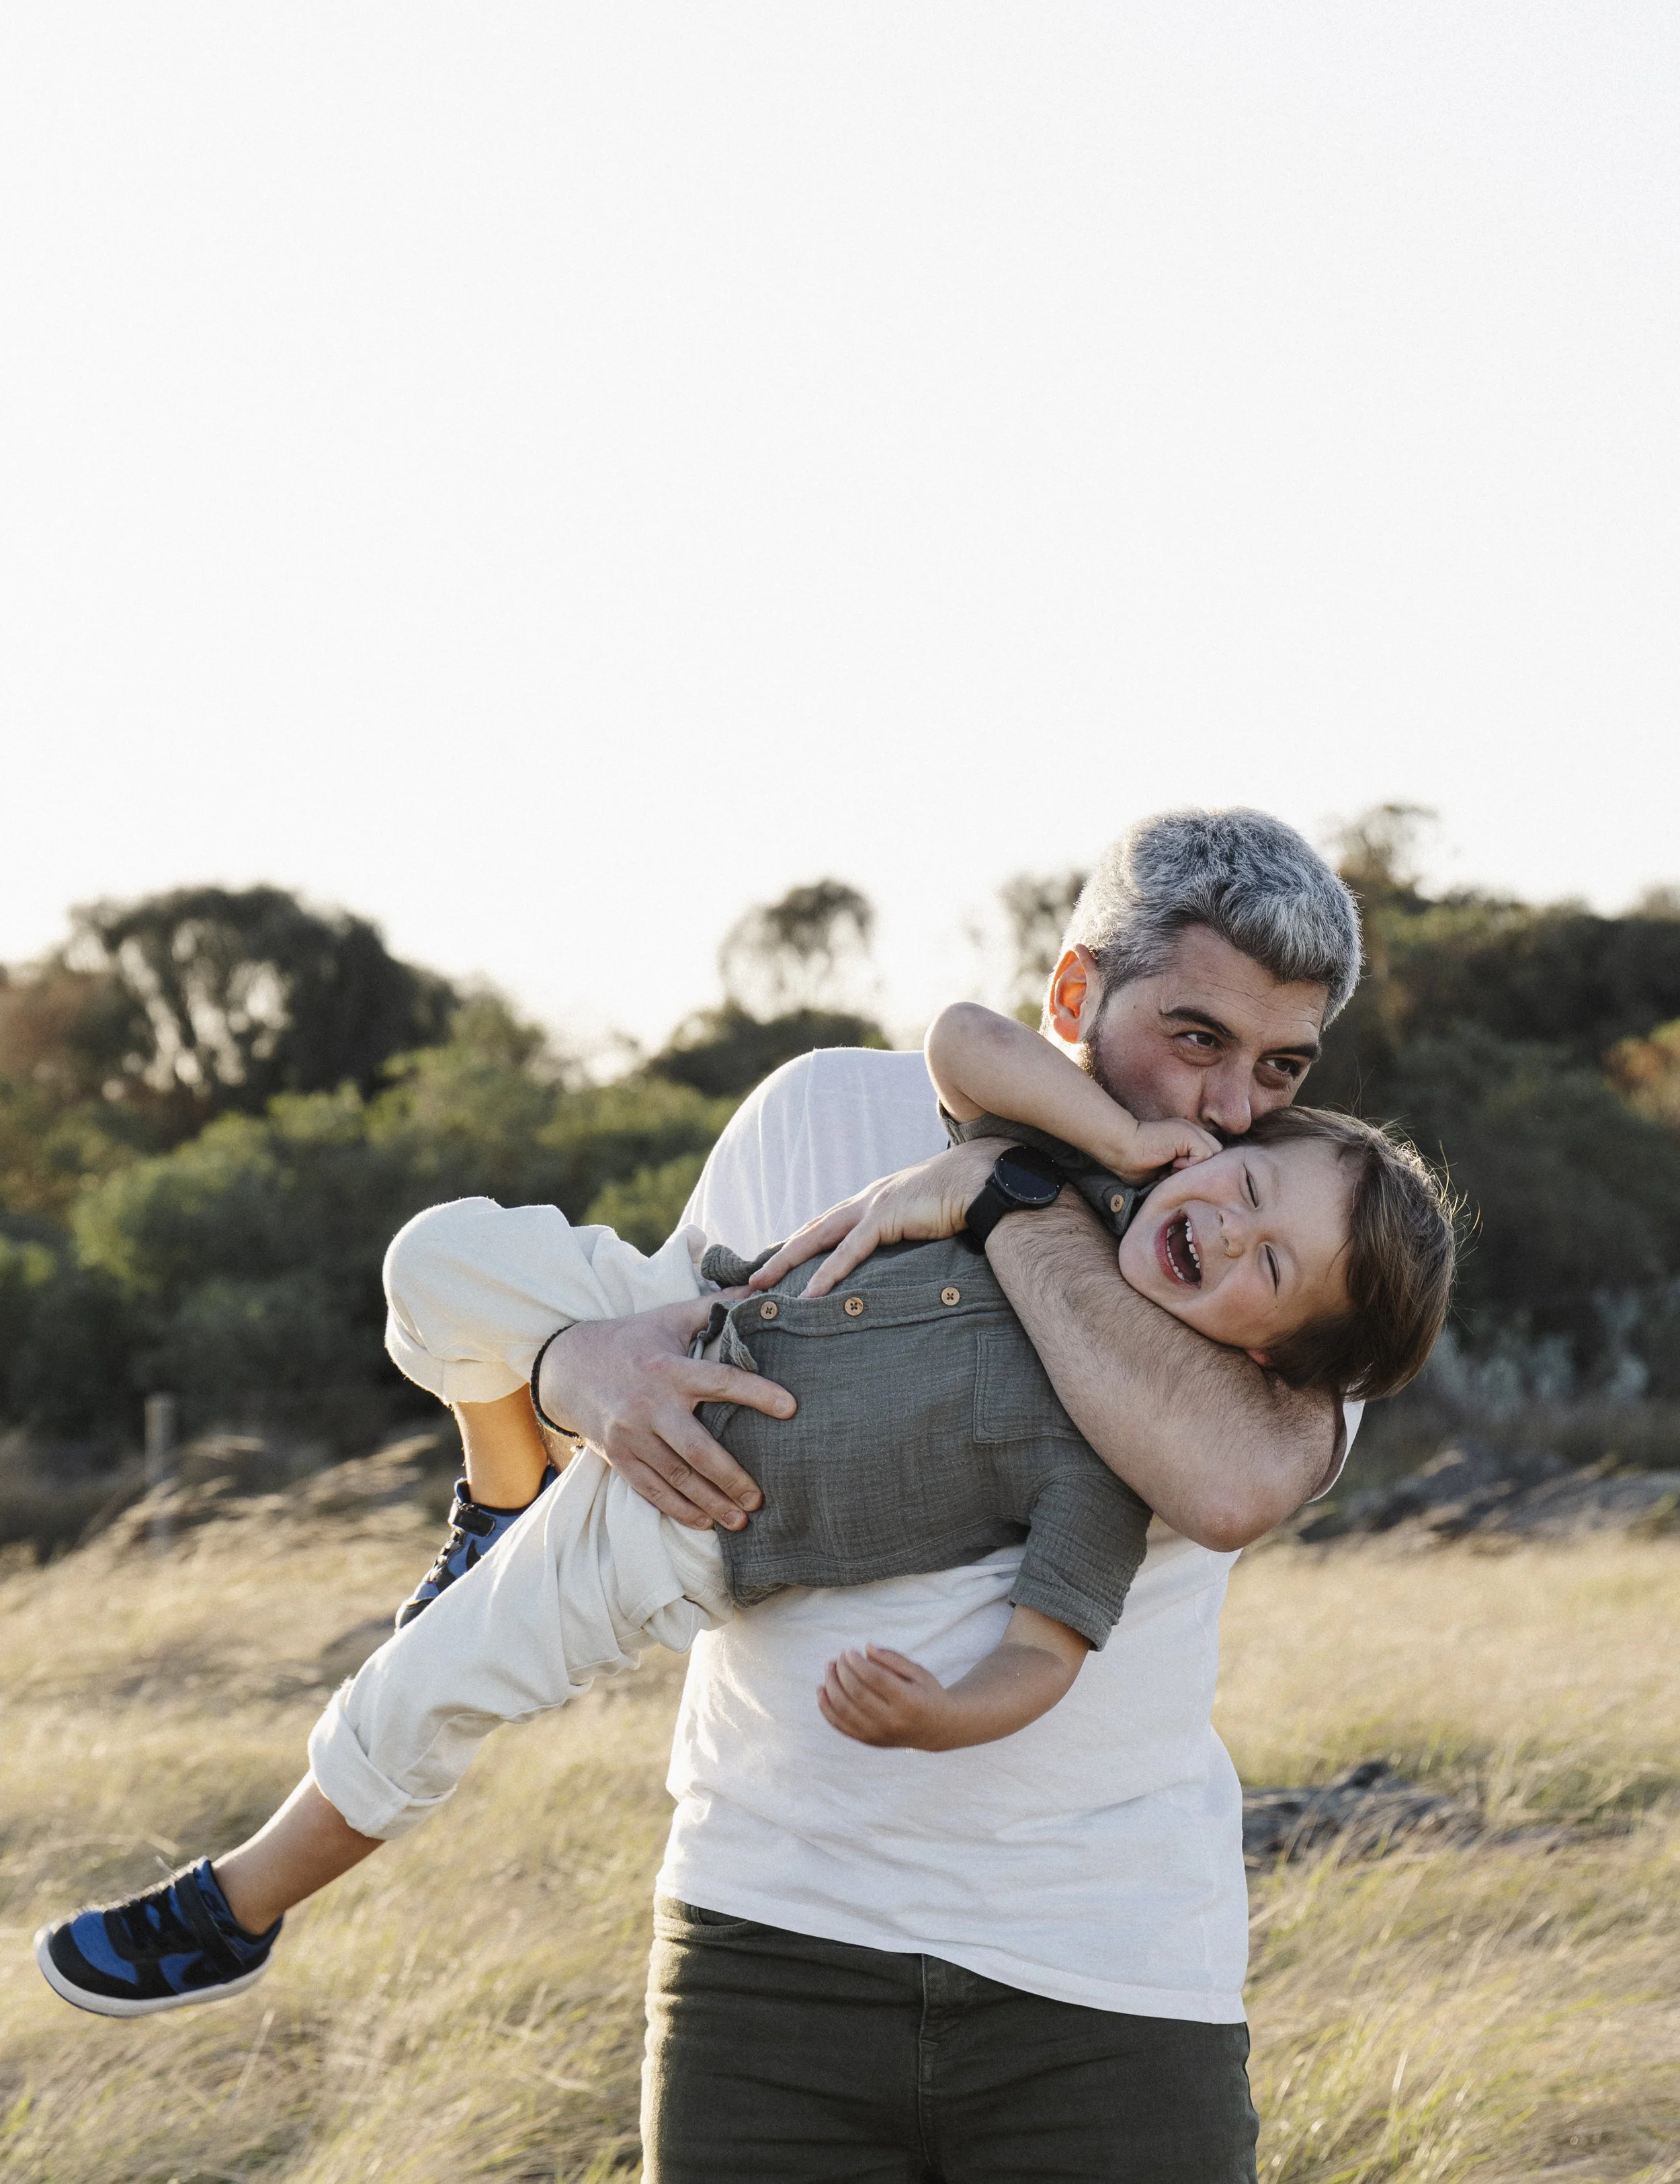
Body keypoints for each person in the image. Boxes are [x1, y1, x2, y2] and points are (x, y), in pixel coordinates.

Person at [48, 810, 1379, 2181]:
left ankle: (256, 1881)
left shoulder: (1291, 1248)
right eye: (1195, 1038)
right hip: (767, 1939)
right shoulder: (824, 1111)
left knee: (451, 1665)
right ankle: (490, 1516)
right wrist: (573, 1370)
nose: (1225, 1107)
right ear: (1072, 992)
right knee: (443, 1268)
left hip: (1102, 1975)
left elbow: (1230, 1483)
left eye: (1277, 1064)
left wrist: (1000, 1195)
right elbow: (677, 1323)